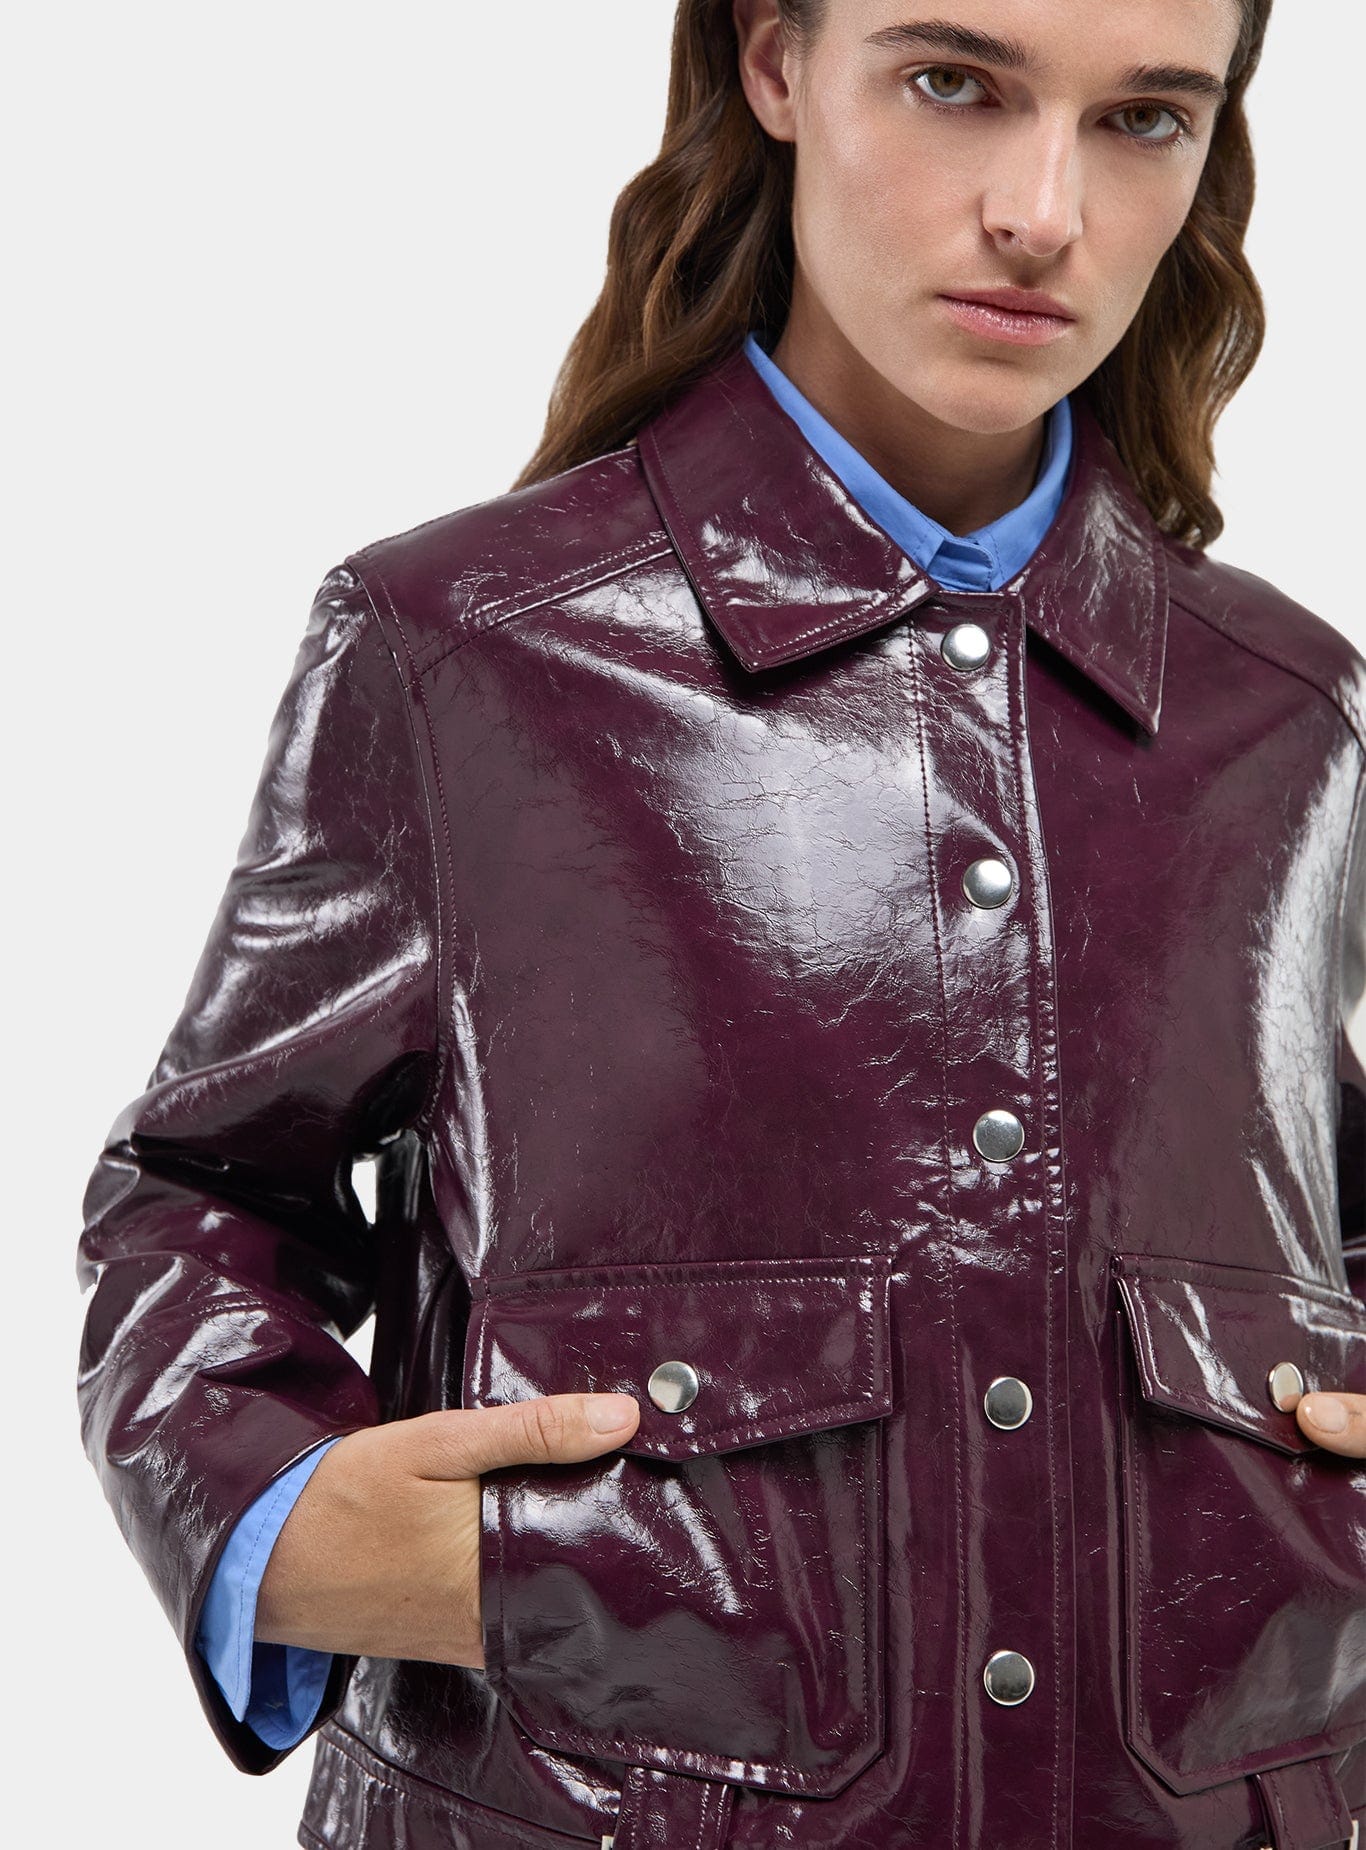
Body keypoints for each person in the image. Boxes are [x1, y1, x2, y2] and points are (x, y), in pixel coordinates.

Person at [75, 1, 1366, 1846]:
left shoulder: (1289, 712)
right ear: (772, 62)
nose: (1040, 211)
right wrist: (280, 1527)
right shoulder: (462, 655)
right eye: (952, 83)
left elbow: (1318, 1220)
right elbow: (200, 1189)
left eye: (1142, 120)